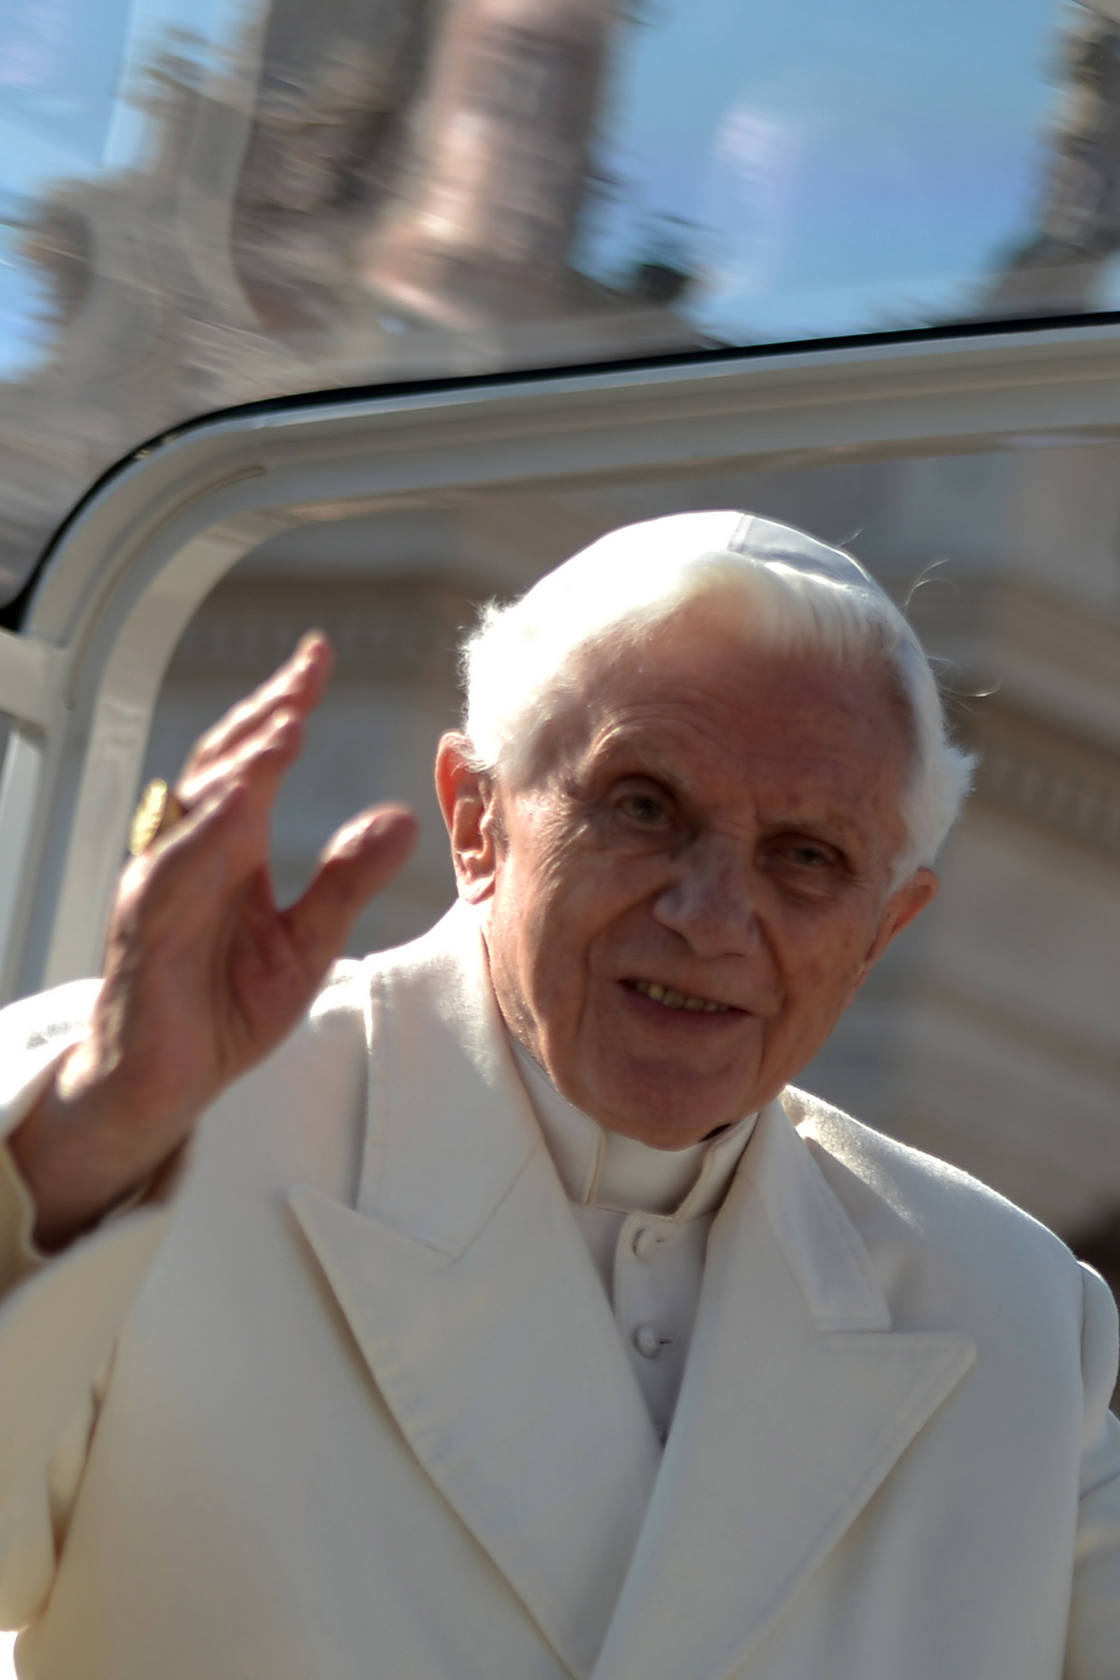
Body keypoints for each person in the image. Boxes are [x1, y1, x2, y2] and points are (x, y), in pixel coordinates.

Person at [0, 510, 1116, 1679]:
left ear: (885, 928)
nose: (710, 917)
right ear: (476, 819)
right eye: (643, 807)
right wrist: (100, 1135)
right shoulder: (114, 1120)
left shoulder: (1010, 1309)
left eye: (807, 857)